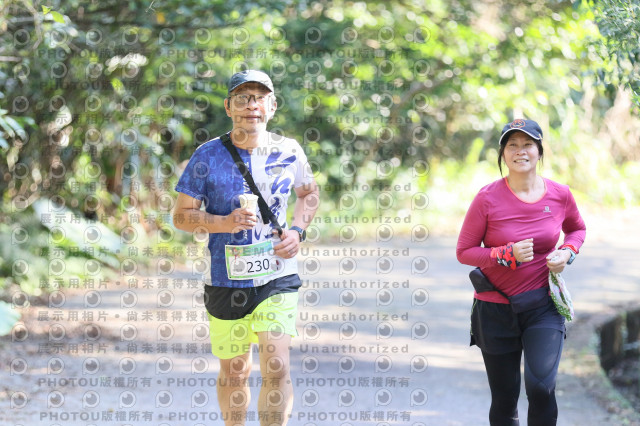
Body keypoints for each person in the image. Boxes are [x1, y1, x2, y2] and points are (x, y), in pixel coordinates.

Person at [173, 69, 319, 426]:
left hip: (277, 274)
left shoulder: (289, 150)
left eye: (259, 98)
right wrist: (224, 222)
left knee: (277, 365)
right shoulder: (207, 155)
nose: (251, 105)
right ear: (229, 107)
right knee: (235, 371)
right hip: (225, 279)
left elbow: (309, 193)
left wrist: (297, 231)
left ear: (272, 106)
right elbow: (181, 216)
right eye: (242, 98)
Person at [456, 118, 586, 426]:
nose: (520, 151)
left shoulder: (560, 194)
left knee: (541, 388)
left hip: (543, 305)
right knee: (505, 398)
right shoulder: (487, 198)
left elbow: (577, 229)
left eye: (528, 144)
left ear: (539, 151)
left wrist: (567, 252)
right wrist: (504, 254)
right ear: (503, 154)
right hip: (495, 308)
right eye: (512, 145)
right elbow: (464, 251)